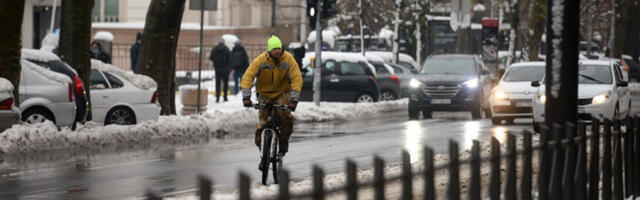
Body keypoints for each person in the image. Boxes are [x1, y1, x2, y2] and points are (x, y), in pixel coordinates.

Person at [241, 35, 302, 159]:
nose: (277, 51)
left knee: (285, 117)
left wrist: (293, 100)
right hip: (264, 94)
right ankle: (263, 151)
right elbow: (248, 76)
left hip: (282, 93)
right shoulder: (261, 60)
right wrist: (246, 97)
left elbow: (297, 79)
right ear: (269, 50)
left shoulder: (289, 59)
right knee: (262, 124)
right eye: (274, 49)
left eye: (279, 48)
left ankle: (283, 146)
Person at [209, 38, 232, 102]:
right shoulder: (226, 49)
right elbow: (230, 59)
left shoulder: (215, 48)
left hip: (217, 69)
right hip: (225, 69)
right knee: (225, 83)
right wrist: (228, 67)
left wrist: (216, 62)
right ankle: (225, 97)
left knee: (217, 84)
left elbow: (211, 57)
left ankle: (217, 98)